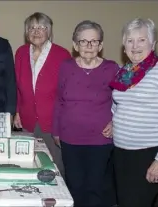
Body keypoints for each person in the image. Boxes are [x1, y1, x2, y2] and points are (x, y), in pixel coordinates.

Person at [52, 20, 119, 207]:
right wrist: (56, 131)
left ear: (101, 45)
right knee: (74, 185)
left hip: (100, 140)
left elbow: (124, 101)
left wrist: (115, 123)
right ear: (75, 45)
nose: (89, 46)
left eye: (94, 41)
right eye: (83, 41)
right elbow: (59, 99)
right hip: (70, 138)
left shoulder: (112, 68)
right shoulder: (66, 67)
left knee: (95, 187)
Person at [110, 18, 158, 207]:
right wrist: (112, 121)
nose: (135, 46)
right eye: (129, 40)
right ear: (124, 45)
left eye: (141, 40)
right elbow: (119, 104)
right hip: (120, 152)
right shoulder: (124, 72)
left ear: (153, 43)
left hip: (147, 154)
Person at [13, 12, 71, 177]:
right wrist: (17, 111)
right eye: (32, 27)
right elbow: (16, 85)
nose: (36, 31)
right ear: (26, 32)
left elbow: (66, 92)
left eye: (41, 27)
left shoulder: (62, 54)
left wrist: (62, 121)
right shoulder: (21, 53)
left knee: (54, 166)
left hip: (52, 121)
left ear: (49, 31)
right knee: (28, 164)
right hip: (27, 118)